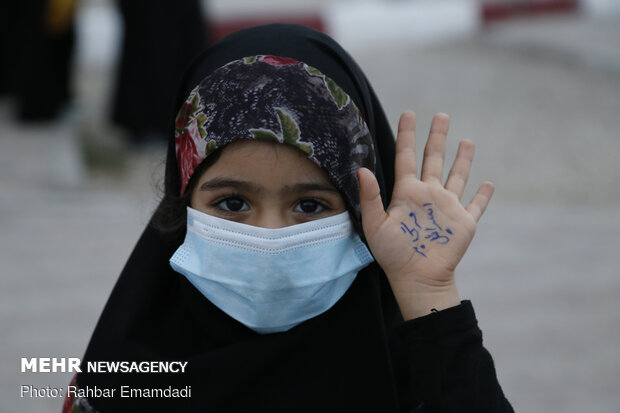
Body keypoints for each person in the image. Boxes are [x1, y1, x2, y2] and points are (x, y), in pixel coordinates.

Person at [64, 24, 513, 412]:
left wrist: (429, 297)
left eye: (311, 205)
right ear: (183, 208)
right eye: (233, 203)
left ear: (360, 216)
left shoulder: (416, 370)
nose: (269, 239)